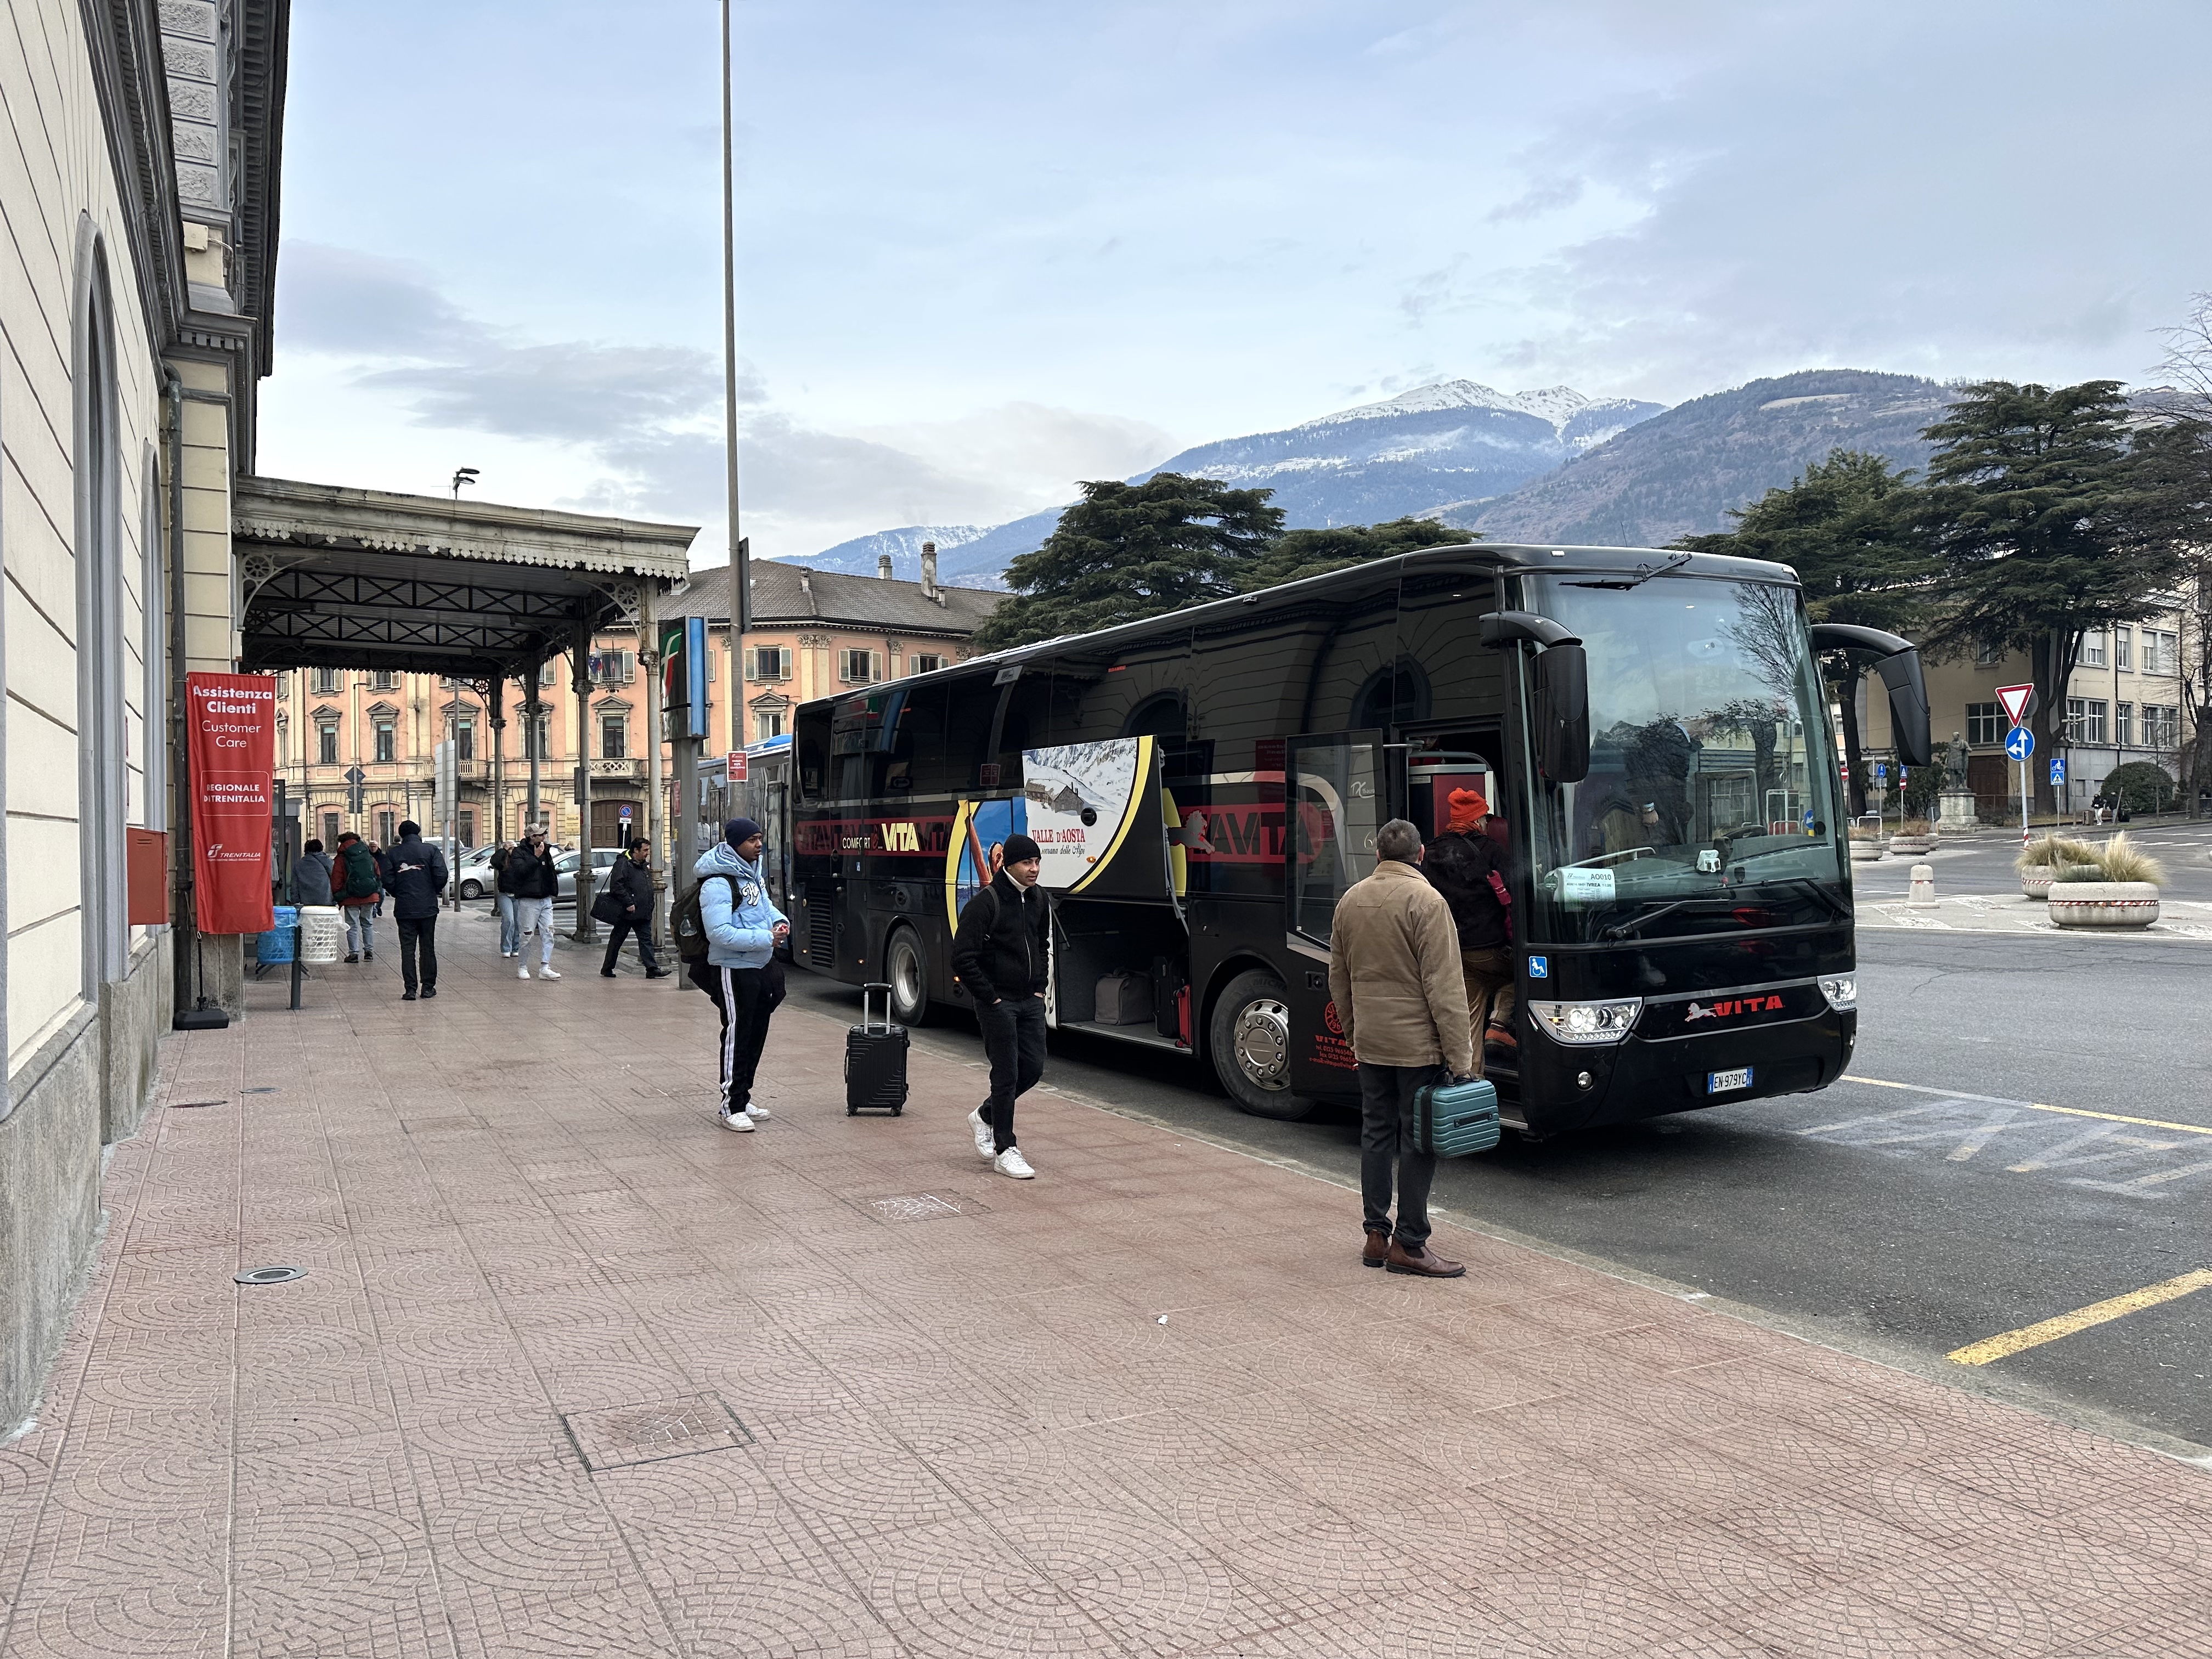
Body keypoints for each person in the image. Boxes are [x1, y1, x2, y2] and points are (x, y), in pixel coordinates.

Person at [1327, 817, 1474, 1278]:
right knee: (1417, 1140)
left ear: (1378, 855)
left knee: (1375, 1133)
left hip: (1372, 1042)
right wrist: (1461, 1059)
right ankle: (1409, 1243)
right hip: (1418, 1048)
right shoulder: (1428, 902)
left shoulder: (1350, 901)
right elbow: (1445, 988)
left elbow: (1339, 980)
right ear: (1421, 854)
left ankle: (1375, 1235)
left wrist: (1354, 1036)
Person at [950, 831, 1050, 1180]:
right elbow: (962, 958)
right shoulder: (985, 903)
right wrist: (990, 996)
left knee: (1033, 1068)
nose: (1034, 869)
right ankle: (1005, 1150)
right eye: (1026, 863)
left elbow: (1042, 944)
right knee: (1006, 1074)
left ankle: (985, 1116)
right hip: (998, 1003)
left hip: (1030, 1001)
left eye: (1037, 862)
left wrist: (1040, 987)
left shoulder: (1039, 899)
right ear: (1008, 865)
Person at [692, 817, 789, 1131]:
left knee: (756, 1032)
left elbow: (765, 909)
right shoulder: (718, 883)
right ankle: (731, 1106)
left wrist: (780, 922)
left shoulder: (752, 872)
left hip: (761, 964)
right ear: (736, 844)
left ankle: (743, 1097)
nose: (759, 845)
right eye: (752, 840)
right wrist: (765, 938)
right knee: (738, 1035)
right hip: (734, 968)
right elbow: (719, 932)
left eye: (760, 838)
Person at [1423, 787, 1516, 1075]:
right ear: (1476, 820)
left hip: (1453, 952)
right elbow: (1517, 891)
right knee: (1526, 974)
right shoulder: (1491, 851)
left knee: (1471, 1022)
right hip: (1490, 950)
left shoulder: (1431, 852)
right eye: (1485, 819)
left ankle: (1472, 1081)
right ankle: (1500, 1025)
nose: (1487, 824)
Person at [385, 820, 449, 1000]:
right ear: (418, 833)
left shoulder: (393, 853)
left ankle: (410, 989)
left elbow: (387, 879)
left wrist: (399, 892)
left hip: (404, 907)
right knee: (427, 947)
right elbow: (442, 874)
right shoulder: (431, 850)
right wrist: (431, 890)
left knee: (407, 949)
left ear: (402, 835)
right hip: (427, 907)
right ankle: (428, 988)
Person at [601, 837, 669, 979]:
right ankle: (607, 968)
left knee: (646, 940)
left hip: (642, 911)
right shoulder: (623, 864)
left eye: (648, 850)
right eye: (645, 850)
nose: (647, 853)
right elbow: (616, 886)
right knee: (617, 940)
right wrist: (628, 903)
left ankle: (652, 969)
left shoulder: (643, 866)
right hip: (627, 912)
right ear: (635, 851)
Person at [506, 825, 562, 980]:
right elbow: (520, 872)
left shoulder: (546, 850)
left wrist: (553, 889)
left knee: (549, 933)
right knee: (527, 935)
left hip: (545, 899)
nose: (544, 837)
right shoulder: (519, 852)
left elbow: (550, 871)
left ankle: (545, 967)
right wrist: (535, 857)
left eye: (544, 834)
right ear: (532, 837)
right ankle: (522, 967)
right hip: (528, 900)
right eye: (540, 835)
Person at [333, 832, 382, 961]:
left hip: (350, 897)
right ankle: (369, 952)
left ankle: (354, 954)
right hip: (369, 895)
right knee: (367, 924)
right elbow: (377, 872)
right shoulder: (366, 854)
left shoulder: (342, 857)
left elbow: (337, 879)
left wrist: (338, 895)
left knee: (352, 925)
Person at [490, 839, 522, 957]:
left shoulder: (519, 861)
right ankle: (506, 948)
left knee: (518, 922)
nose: (512, 850)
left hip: (517, 895)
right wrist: (504, 850)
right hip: (505, 895)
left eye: (514, 848)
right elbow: (494, 861)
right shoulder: (503, 861)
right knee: (509, 920)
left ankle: (515, 948)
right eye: (510, 848)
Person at [291, 838, 335, 907]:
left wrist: (296, 901)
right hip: (326, 902)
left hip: (306, 903)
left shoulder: (298, 865)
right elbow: (336, 879)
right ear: (321, 849)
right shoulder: (329, 862)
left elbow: (294, 886)